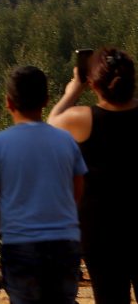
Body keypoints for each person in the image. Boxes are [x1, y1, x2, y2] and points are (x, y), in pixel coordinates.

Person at [0, 65, 86, 304]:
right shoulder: (66, 140)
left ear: (8, 103)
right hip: (63, 244)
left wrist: (3, 225)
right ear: (46, 100)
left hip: (20, 244)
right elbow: (78, 189)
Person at [49, 48, 138, 303]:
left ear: (94, 83)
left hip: (100, 230)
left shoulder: (82, 119)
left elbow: (51, 123)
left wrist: (74, 88)